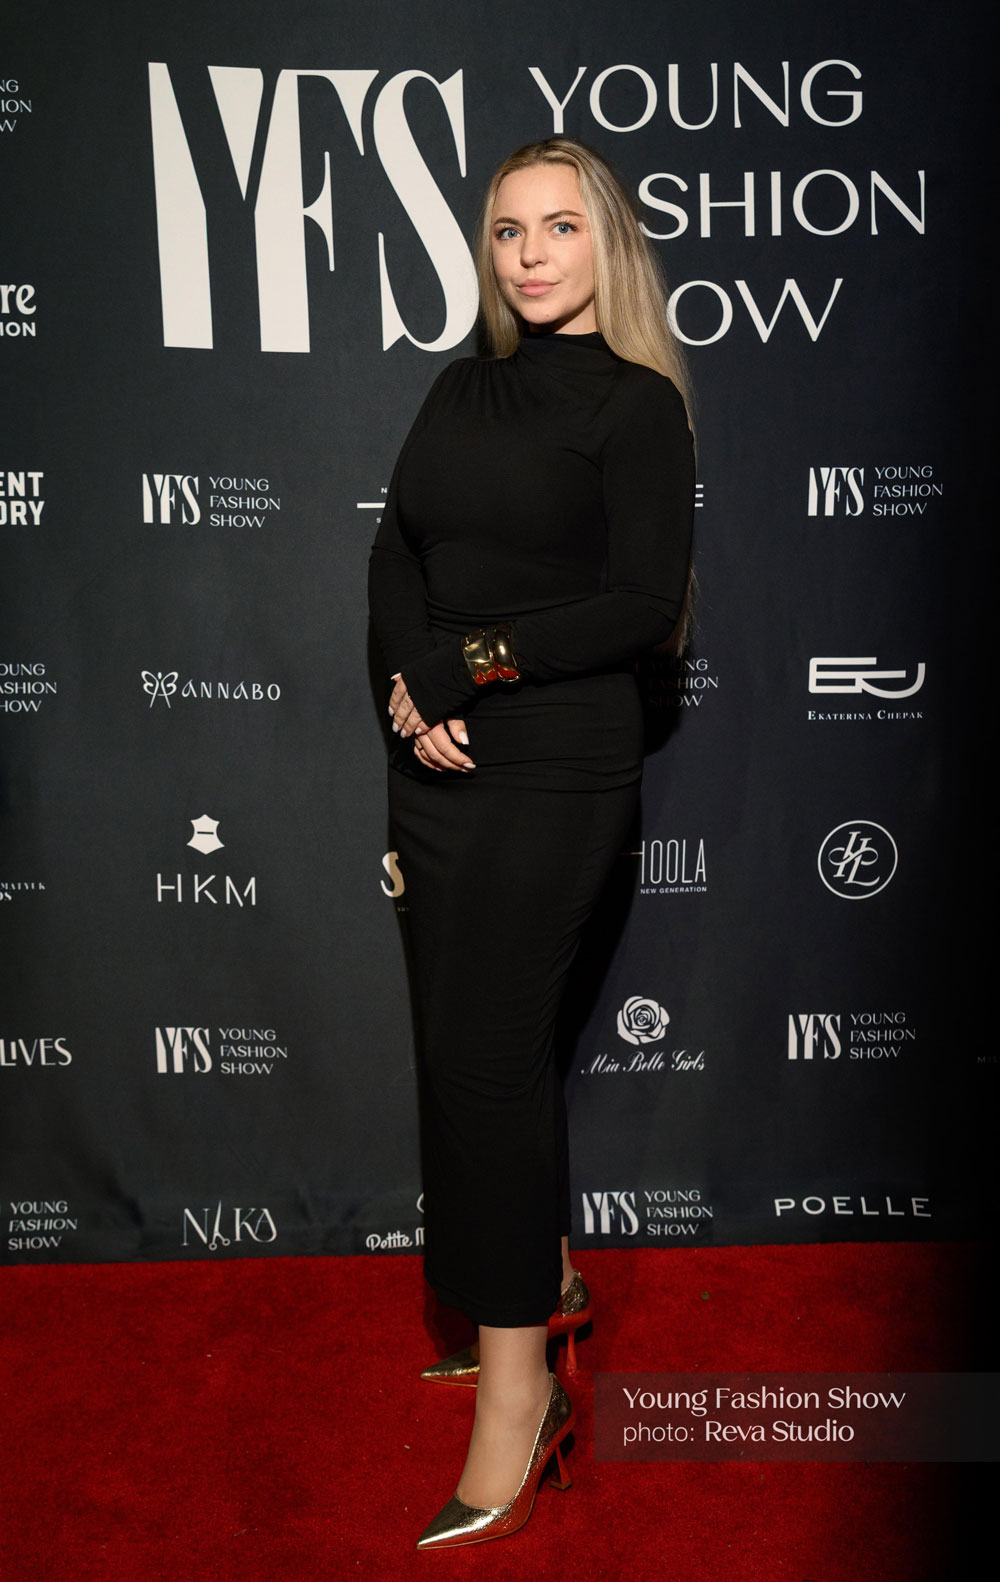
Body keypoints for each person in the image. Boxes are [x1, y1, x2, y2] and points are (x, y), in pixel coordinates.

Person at [367, 136, 695, 1549]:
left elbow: (643, 605)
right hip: (437, 764)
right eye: (508, 231)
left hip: (559, 766)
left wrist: (470, 661)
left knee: (491, 1056)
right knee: (468, 1048)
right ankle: (534, 1277)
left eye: (560, 226)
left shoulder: (636, 406)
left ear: (604, 242)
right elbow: (396, 549)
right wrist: (408, 677)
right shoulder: (460, 388)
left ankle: (523, 1398)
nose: (531, 254)